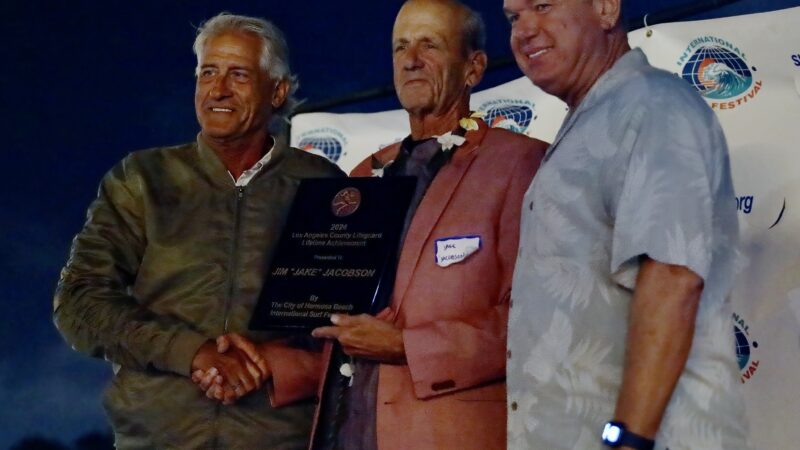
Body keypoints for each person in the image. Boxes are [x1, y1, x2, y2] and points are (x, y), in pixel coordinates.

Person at [53, 13, 343, 449]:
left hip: (281, 438)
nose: (218, 89)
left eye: (239, 74)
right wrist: (190, 352)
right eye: (208, 72)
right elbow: (79, 302)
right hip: (157, 438)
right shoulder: (142, 178)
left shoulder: (325, 186)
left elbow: (352, 323)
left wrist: (275, 363)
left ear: (278, 92)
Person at [502, 0, 751, 449]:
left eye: (542, 5)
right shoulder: (595, 116)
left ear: (605, 8)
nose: (525, 30)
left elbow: (672, 277)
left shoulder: (652, 105)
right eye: (513, 17)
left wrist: (628, 439)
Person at [309, 1, 547, 449]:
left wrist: (406, 347)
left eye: (429, 45)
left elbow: (542, 321)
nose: (411, 59)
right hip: (342, 430)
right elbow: (327, 323)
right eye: (400, 46)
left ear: (473, 68)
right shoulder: (363, 175)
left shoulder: (521, 164)